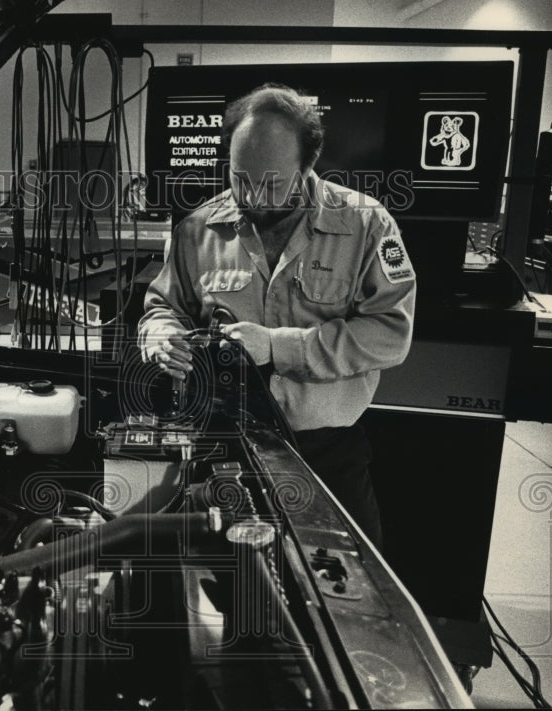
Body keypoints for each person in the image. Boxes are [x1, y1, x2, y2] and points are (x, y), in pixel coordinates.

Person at [137, 83, 417, 549]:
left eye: (270, 182)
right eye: (239, 177)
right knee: (236, 591)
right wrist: (162, 333)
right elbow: (164, 306)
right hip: (226, 445)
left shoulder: (367, 225)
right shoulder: (197, 229)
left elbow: (390, 334)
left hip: (326, 452)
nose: (251, 196)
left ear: (308, 166)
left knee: (346, 596)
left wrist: (277, 346)